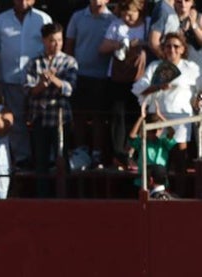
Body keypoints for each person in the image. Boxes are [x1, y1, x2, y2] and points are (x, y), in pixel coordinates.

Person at [0, 0, 52, 168]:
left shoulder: (43, 19)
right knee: (16, 122)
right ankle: (23, 159)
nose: (23, 1)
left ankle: (45, 157)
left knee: (41, 120)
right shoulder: (0, 21)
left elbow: (52, 48)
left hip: (38, 82)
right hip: (10, 80)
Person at [134, 31, 200, 193]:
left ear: (183, 49)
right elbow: (138, 90)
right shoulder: (155, 66)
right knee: (157, 161)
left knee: (180, 160)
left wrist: (197, 100)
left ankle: (180, 195)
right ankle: (156, 194)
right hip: (157, 120)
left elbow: (199, 91)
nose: (172, 50)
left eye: (176, 46)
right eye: (168, 46)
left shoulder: (191, 68)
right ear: (163, 49)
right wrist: (157, 87)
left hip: (180, 120)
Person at [25, 22, 78, 196]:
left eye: (59, 40)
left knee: (62, 160)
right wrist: (42, 84)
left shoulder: (69, 62)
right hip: (40, 116)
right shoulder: (34, 62)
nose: (56, 44)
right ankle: (42, 198)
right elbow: (28, 90)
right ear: (44, 41)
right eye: (52, 40)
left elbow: (69, 89)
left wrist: (54, 80)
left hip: (60, 118)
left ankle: (64, 197)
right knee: (40, 161)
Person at [64, 0, 114, 166]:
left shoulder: (112, 20)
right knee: (79, 115)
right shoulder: (77, 17)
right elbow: (69, 45)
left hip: (101, 76)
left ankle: (97, 153)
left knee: (98, 116)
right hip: (79, 74)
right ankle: (80, 150)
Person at [102, 0, 149, 171]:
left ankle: (135, 154)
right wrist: (122, 44)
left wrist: (140, 43)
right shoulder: (116, 25)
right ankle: (118, 154)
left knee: (137, 115)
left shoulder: (148, 24)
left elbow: (153, 43)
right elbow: (103, 47)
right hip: (118, 78)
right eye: (124, 14)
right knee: (118, 116)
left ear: (139, 11)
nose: (127, 18)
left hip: (140, 79)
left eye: (131, 14)